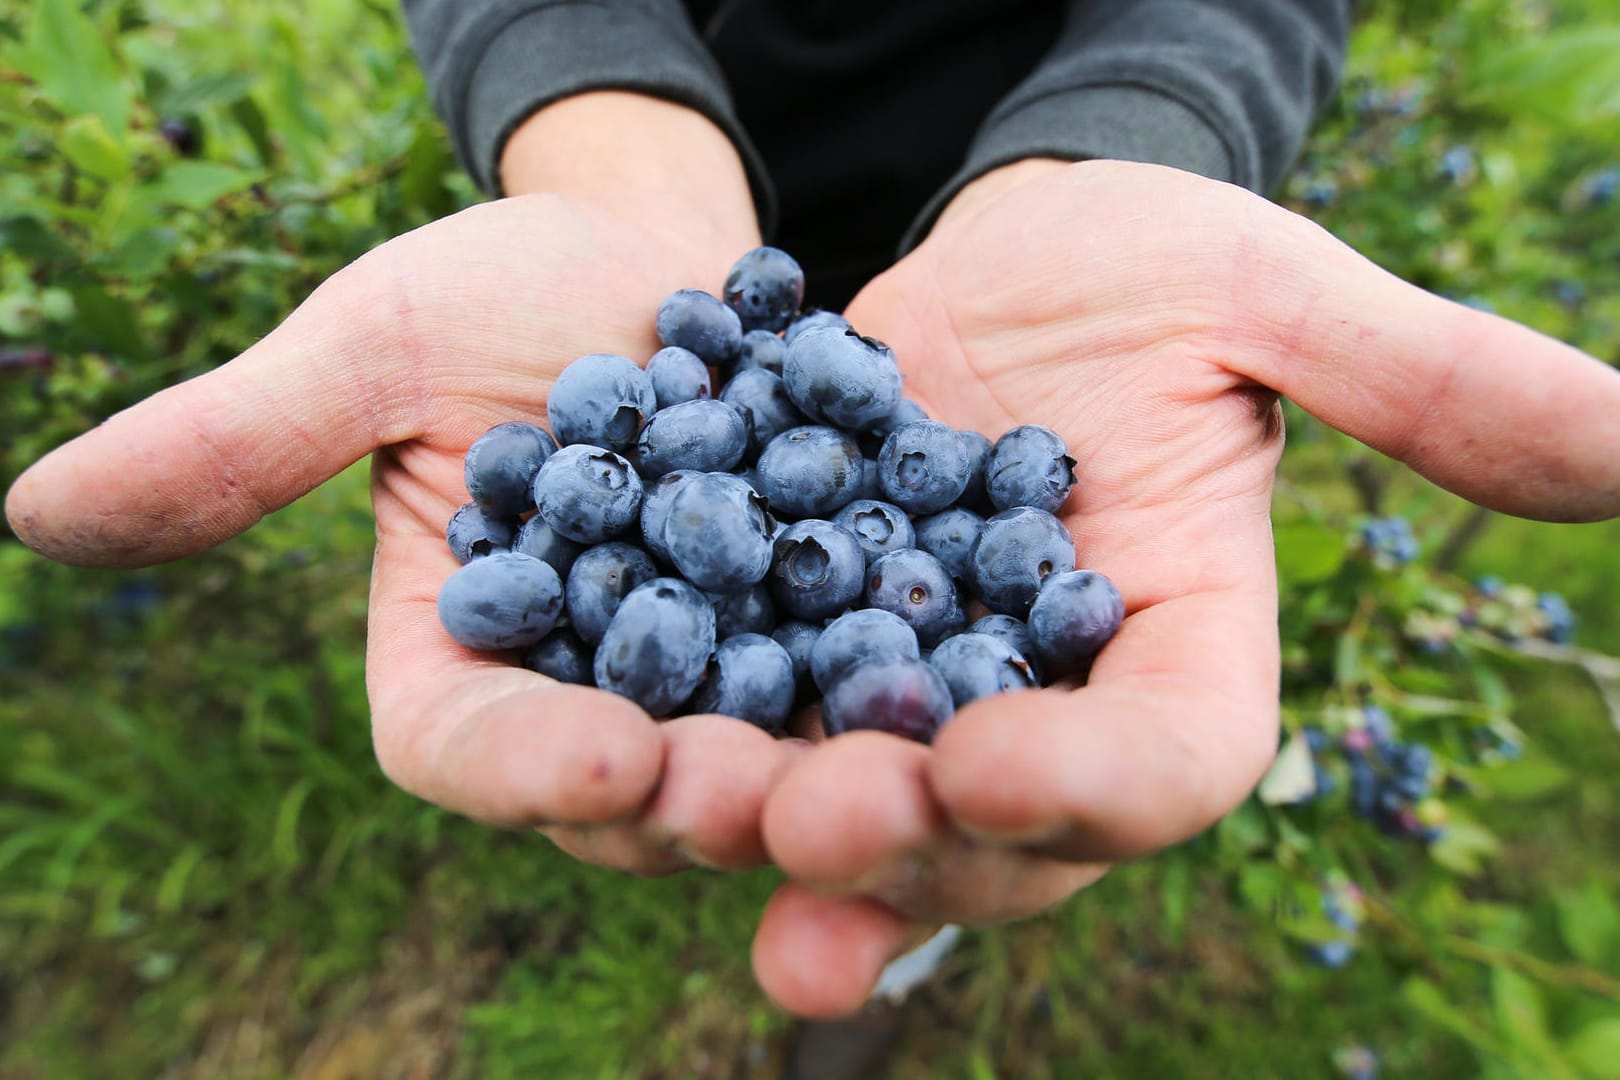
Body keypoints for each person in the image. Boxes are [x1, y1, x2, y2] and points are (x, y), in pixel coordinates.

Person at [7, 0, 1620, 1040]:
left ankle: (903, 930)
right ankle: (873, 911)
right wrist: (602, 140)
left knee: (948, 805)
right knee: (796, 740)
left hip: (1039, 241)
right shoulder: (669, 446)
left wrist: (1138, 128)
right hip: (661, 188)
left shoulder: (907, 509)